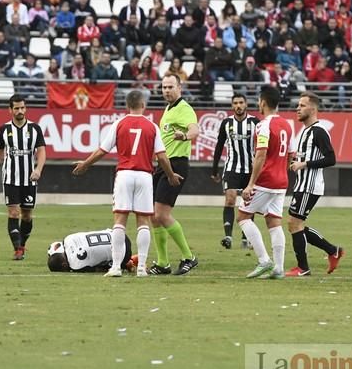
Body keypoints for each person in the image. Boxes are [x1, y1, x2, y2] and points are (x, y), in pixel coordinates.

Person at [72, 90, 182, 277]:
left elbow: (101, 151)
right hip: (144, 176)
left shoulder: (119, 124)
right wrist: (171, 175)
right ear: (143, 105)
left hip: (124, 174)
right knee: (143, 221)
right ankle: (141, 268)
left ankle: (115, 267)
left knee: (120, 220)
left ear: (127, 105)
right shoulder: (152, 126)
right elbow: (162, 157)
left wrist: (85, 164)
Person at [237, 87, 292, 280]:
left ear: (263, 102)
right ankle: (278, 267)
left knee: (243, 216)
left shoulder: (263, 126)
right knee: (274, 222)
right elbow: (291, 154)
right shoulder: (287, 124)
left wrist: (251, 183)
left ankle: (263, 260)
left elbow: (260, 154)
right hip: (281, 181)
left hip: (266, 180)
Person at [286, 92, 344, 276]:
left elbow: (331, 159)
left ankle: (303, 268)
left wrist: (305, 164)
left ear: (313, 108)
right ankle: (333, 250)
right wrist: (296, 160)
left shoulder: (319, 131)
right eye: (298, 105)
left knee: (294, 224)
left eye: (302, 105)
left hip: (310, 186)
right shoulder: (305, 131)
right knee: (296, 224)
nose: (298, 108)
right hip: (302, 184)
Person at [149, 74, 200, 276]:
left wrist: (185, 136)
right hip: (163, 164)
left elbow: (195, 130)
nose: (166, 90)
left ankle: (189, 257)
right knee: (153, 216)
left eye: (170, 86)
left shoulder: (185, 109)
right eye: (163, 87)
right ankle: (163, 263)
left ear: (180, 87)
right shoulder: (168, 109)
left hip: (176, 164)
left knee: (161, 214)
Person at [0, 95, 47, 261]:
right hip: (10, 179)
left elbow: (41, 151)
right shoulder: (4, 130)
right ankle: (17, 249)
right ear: (10, 110)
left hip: (29, 179)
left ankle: (22, 244)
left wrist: (38, 169)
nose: (20, 111)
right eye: (16, 108)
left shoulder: (35, 129)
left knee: (26, 215)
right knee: (13, 213)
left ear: (25, 108)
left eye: (22, 108)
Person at [211, 93, 260, 250]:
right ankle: (228, 237)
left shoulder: (255, 123)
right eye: (235, 103)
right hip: (232, 167)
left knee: (249, 203)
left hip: (250, 169)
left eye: (241, 102)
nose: (238, 106)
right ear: (232, 106)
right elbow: (219, 146)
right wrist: (214, 168)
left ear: (246, 104)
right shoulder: (226, 123)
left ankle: (247, 237)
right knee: (230, 200)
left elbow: (262, 146)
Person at [46, 229, 135, 272]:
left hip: (124, 253)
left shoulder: (76, 265)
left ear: (64, 265)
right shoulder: (67, 239)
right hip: (118, 234)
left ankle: (128, 263)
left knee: (102, 266)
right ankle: (132, 261)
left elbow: (97, 269)